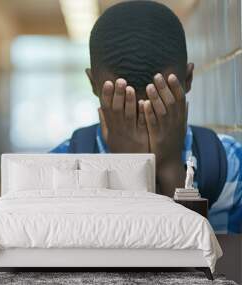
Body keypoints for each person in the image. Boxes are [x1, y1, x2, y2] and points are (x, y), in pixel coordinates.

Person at [50, 1, 242, 234]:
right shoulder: (60, 168)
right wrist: (130, 170)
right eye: (122, 105)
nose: (141, 123)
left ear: (93, 84)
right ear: (188, 78)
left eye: (158, 102)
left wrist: (171, 168)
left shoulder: (225, 163)